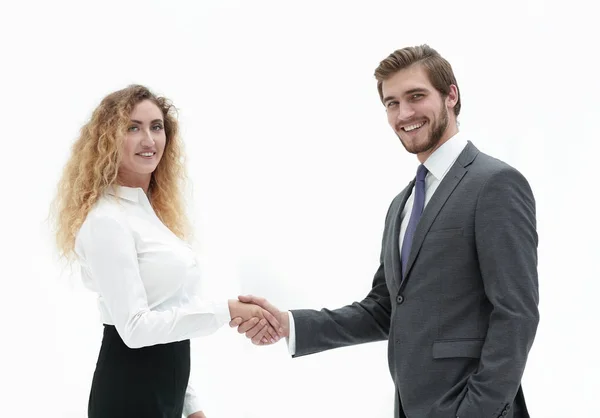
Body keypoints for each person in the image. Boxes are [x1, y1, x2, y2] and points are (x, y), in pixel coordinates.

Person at [230, 45, 540, 418]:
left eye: (416, 96)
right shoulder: (403, 204)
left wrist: (477, 410)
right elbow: (384, 310)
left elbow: (517, 313)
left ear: (451, 95)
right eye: (392, 103)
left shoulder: (495, 183)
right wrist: (289, 324)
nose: (404, 113)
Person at [51, 85, 283, 418]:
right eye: (133, 127)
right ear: (108, 138)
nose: (149, 139)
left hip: (166, 392)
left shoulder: (148, 213)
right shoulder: (107, 221)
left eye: (156, 126)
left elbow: (169, 316)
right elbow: (135, 330)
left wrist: (191, 406)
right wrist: (227, 311)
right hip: (129, 397)